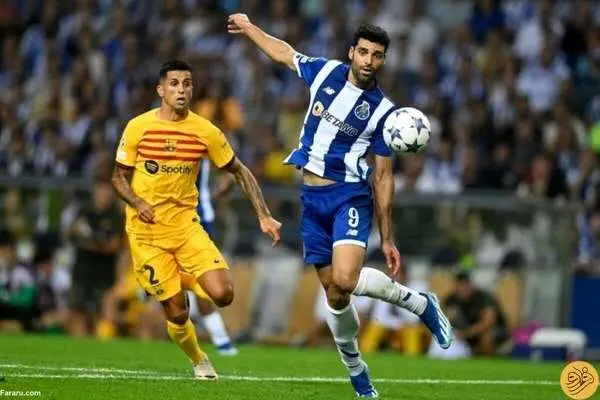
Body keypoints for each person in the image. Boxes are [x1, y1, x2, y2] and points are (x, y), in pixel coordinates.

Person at [228, 15, 452, 397]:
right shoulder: (325, 72)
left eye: (376, 55)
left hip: (349, 195)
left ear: (383, 61)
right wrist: (249, 28)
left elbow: (383, 176)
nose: (368, 60)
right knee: (335, 294)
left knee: (346, 279)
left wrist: (387, 237)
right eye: (363, 52)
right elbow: (284, 53)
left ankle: (419, 304)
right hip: (311, 198)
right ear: (351, 52)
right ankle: (356, 369)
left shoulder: (384, 113)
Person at [111, 60, 281, 380]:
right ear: (161, 90)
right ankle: (199, 359)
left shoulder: (205, 131)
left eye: (187, 83)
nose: (181, 89)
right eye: (174, 83)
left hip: (186, 227)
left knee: (223, 294)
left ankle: (184, 280)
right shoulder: (138, 127)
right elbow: (118, 177)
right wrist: (137, 201)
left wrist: (264, 215)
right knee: (177, 311)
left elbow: (239, 171)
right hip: (146, 233)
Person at [189, 158, 239, 356]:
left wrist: (215, 193)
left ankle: (222, 340)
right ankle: (221, 340)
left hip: (197, 220)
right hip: (172, 219)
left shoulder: (201, 144)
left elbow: (229, 173)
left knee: (201, 282)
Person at [68, 180, 123, 337]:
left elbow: (113, 245)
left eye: (107, 192)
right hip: (82, 270)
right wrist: (98, 243)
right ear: (95, 193)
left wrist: (89, 242)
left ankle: (100, 341)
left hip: (104, 273)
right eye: (101, 191)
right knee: (78, 309)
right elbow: (72, 233)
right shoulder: (84, 212)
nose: (104, 195)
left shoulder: (116, 216)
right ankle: (78, 342)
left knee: (102, 311)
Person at [444, 272, 509, 356]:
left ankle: (486, 359)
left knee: (487, 337)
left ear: (470, 285)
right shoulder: (452, 299)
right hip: (464, 334)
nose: (461, 290)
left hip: (493, 331)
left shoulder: (483, 298)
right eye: (458, 287)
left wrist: (467, 333)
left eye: (463, 286)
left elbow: (488, 322)